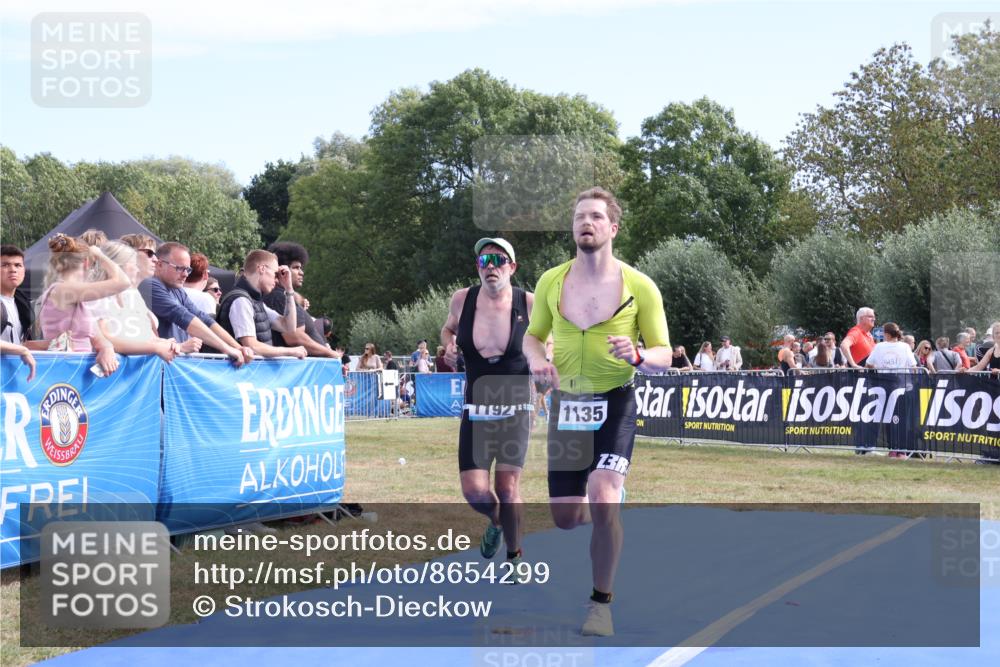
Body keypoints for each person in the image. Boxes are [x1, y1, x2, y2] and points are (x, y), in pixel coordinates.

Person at [524, 187, 671, 637]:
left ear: (612, 228)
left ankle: (599, 604)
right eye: (579, 217)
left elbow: (665, 351)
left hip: (615, 400)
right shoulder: (552, 280)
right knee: (566, 518)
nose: (585, 223)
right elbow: (532, 336)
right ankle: (602, 499)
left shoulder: (639, 285)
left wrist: (640, 356)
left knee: (604, 497)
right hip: (569, 405)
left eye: (594, 216)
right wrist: (536, 362)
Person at [441, 237, 535, 581]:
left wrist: (546, 361)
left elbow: (547, 342)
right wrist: (448, 346)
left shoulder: (529, 302)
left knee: (508, 488)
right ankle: (498, 522)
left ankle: (514, 557)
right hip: (477, 406)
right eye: (484, 261)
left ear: (512, 266)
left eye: (498, 260)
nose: (490, 266)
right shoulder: (462, 299)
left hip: (516, 405)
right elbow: (448, 329)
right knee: (475, 492)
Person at [141, 241, 253, 367]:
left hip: (170, 366)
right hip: (158, 368)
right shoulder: (149, 285)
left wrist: (238, 347)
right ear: (160, 265)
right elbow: (183, 316)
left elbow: (203, 318)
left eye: (188, 269)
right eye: (179, 268)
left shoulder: (177, 289)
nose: (185, 274)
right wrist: (227, 349)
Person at [90, 240, 200, 362]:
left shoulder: (132, 296)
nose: (137, 270)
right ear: (118, 267)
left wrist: (174, 346)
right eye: (134, 264)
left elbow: (146, 337)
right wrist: (156, 347)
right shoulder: (97, 297)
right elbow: (108, 340)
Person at [37, 234, 128, 375]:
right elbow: (123, 282)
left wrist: (107, 348)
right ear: (86, 263)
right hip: (65, 371)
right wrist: (100, 255)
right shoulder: (62, 290)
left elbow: (98, 337)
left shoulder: (73, 297)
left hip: (74, 370)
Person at [218, 249, 306, 359]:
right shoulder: (241, 301)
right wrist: (290, 351)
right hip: (241, 374)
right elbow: (252, 346)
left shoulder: (254, 301)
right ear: (262, 269)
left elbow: (289, 327)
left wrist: (289, 289)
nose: (277, 280)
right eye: (275, 274)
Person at [266, 242, 339, 358]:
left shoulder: (283, 296)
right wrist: (331, 354)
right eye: (296, 267)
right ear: (282, 271)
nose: (301, 272)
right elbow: (294, 337)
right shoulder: (279, 298)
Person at [864, 322, 915, 458]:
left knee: (888, 418)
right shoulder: (905, 346)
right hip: (901, 384)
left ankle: (893, 449)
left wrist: (877, 369)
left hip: (884, 385)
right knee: (901, 418)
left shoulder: (879, 346)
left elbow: (868, 364)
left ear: (886, 334)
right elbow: (913, 366)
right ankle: (902, 450)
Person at [1, 245, 33, 345]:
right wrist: (21, 351)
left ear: (24, 271)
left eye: (18, 265)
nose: (13, 270)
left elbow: (22, 343)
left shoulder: (23, 303)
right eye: (5, 265)